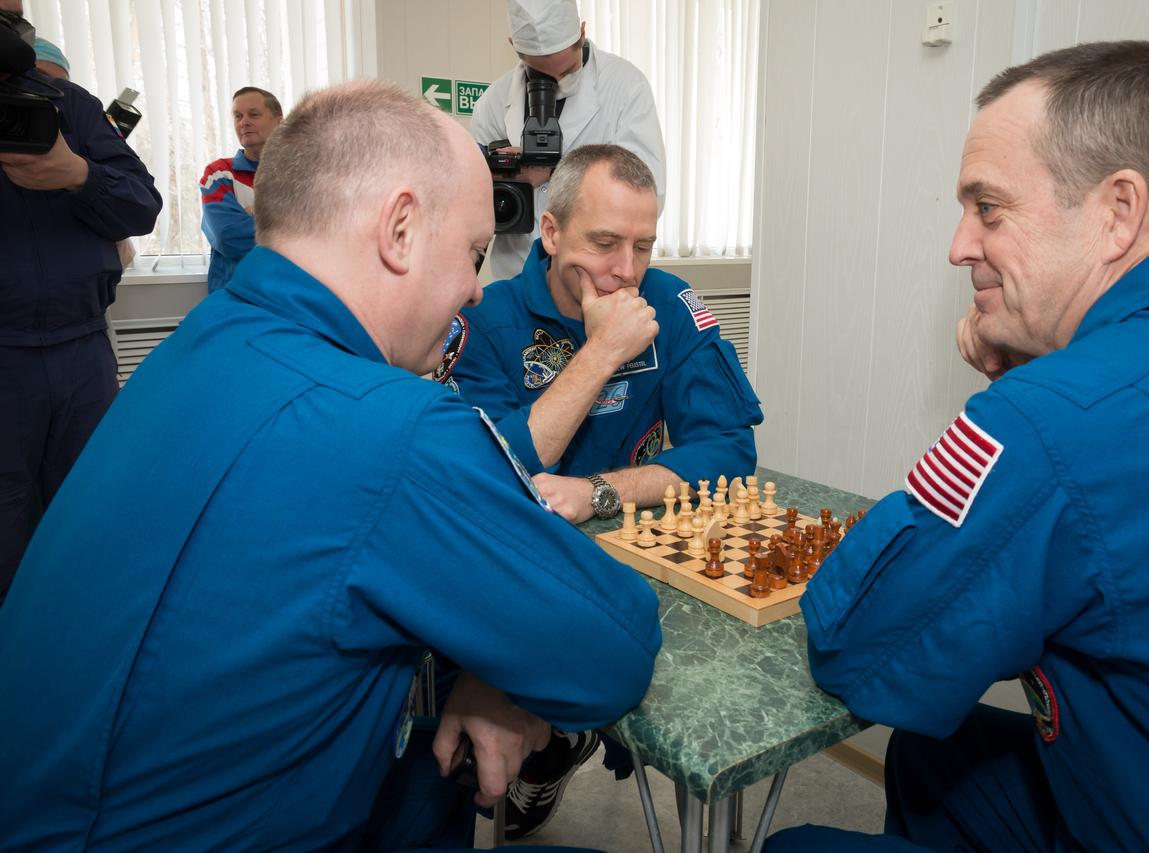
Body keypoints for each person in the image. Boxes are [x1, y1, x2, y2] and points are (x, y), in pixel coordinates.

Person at [0, 79, 660, 852]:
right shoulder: (385, 426)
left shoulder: (201, 339)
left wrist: (495, 662)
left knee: (432, 776)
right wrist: (509, 663)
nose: (475, 289)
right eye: (473, 252)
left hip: (65, 801)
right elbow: (613, 646)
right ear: (402, 229)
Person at [763, 41, 1149, 852]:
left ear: (1118, 213)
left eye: (989, 208)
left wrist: (1017, 397)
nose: (959, 245)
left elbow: (859, 643)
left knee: (795, 846)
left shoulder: (1053, 416)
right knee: (942, 756)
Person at [442, 143, 762, 839]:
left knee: (708, 717)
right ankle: (557, 741)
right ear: (550, 233)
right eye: (606, 242)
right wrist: (603, 351)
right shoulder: (485, 320)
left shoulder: (672, 304)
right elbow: (494, 478)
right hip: (524, 569)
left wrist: (600, 490)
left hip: (646, 559)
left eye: (643, 245)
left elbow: (732, 450)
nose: (626, 270)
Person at [0, 2, 162, 605]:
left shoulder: (70, 106)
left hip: (80, 350)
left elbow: (142, 207)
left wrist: (77, 174)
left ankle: (77, 650)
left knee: (88, 514)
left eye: (15, 15)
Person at [469, 0, 666, 279]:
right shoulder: (493, 102)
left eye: (565, 72)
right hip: (516, 272)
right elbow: (471, 201)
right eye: (539, 73)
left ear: (582, 33)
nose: (555, 83)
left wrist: (550, 171)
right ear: (514, 46)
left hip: (596, 274)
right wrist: (499, 176)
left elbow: (648, 193)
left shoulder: (625, 87)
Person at [199, 85, 282, 292]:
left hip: (290, 298)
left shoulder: (303, 174)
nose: (244, 122)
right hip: (237, 299)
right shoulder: (219, 174)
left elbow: (326, 238)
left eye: (254, 114)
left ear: (279, 123)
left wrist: (254, 220)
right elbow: (228, 237)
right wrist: (292, 231)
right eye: (238, 116)